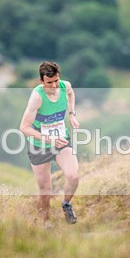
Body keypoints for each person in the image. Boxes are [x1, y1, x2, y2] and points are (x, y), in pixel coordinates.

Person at [19, 61, 80, 228]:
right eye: (49, 83)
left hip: (61, 140)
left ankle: (66, 204)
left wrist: (72, 114)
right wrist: (47, 139)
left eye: (56, 81)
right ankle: (46, 222)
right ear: (41, 81)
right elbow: (24, 128)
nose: (54, 86)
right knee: (46, 190)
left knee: (73, 176)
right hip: (39, 145)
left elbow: (71, 93)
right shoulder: (37, 97)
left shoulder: (64, 86)